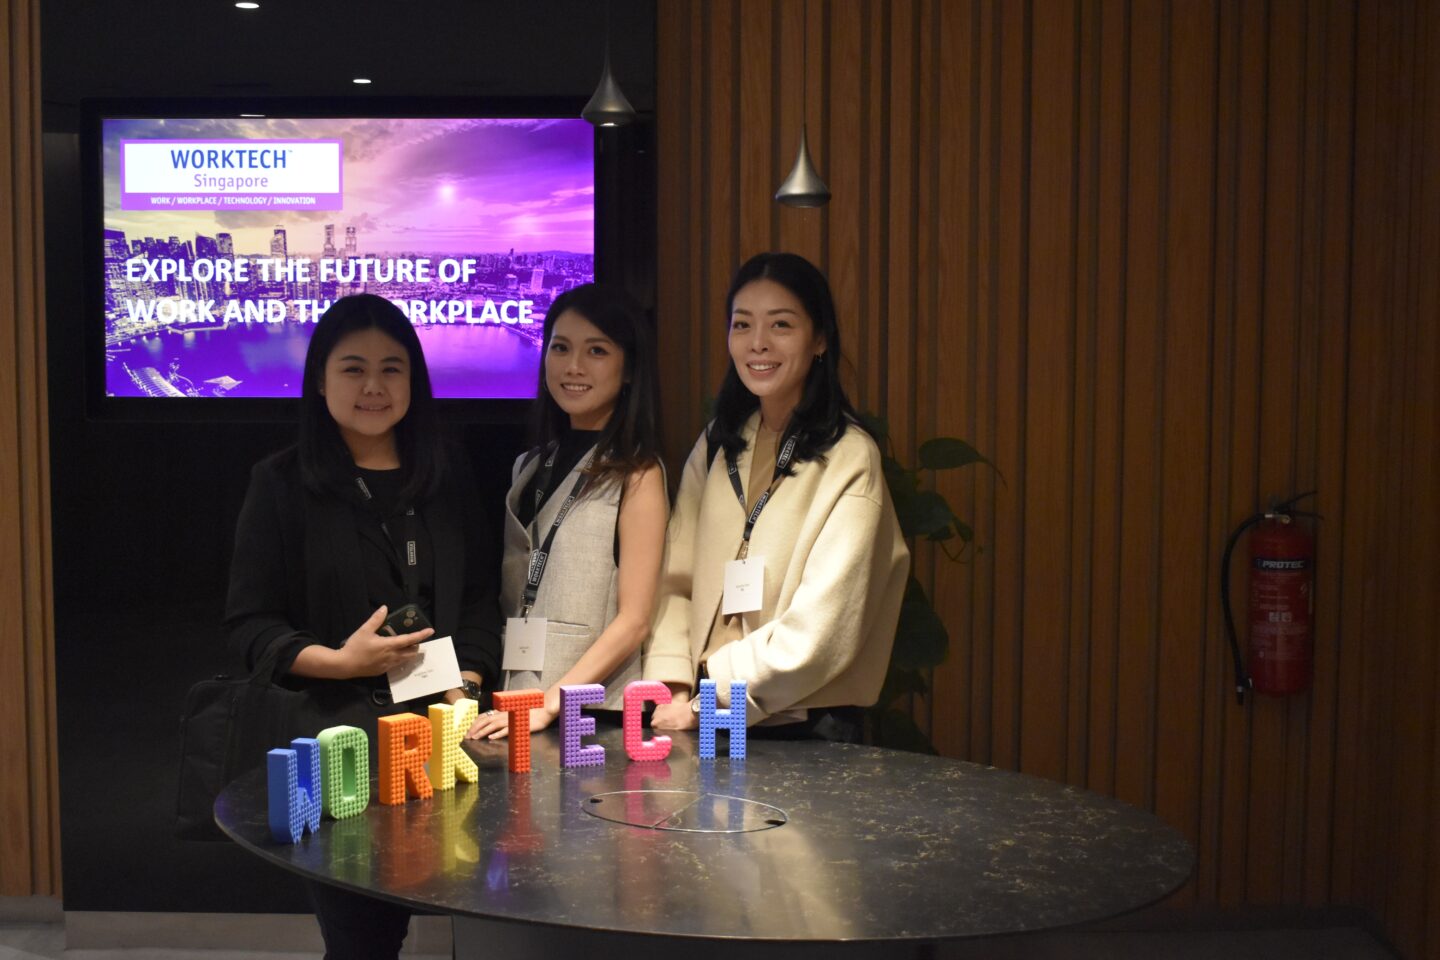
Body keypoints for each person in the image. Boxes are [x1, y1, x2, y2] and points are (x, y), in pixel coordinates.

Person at [224, 293, 501, 960]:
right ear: (320, 381)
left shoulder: (446, 473)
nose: (374, 387)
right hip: (335, 746)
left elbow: (482, 599)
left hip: (441, 743)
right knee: (361, 942)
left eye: (392, 368)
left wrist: (465, 678)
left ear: (415, 380)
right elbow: (249, 626)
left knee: (471, 911)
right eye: (353, 369)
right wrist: (340, 662)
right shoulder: (281, 483)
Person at [645, 252, 908, 741]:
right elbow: (675, 580)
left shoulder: (851, 457)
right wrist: (674, 684)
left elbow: (823, 629)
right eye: (742, 324)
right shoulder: (718, 442)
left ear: (821, 340)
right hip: (698, 712)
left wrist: (710, 696)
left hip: (801, 725)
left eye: (781, 324)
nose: (758, 343)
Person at [467, 284, 668, 739]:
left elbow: (634, 620)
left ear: (630, 367)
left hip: (590, 716)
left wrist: (551, 703)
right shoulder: (529, 465)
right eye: (560, 348)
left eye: (596, 350)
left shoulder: (638, 473)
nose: (573, 366)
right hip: (515, 703)